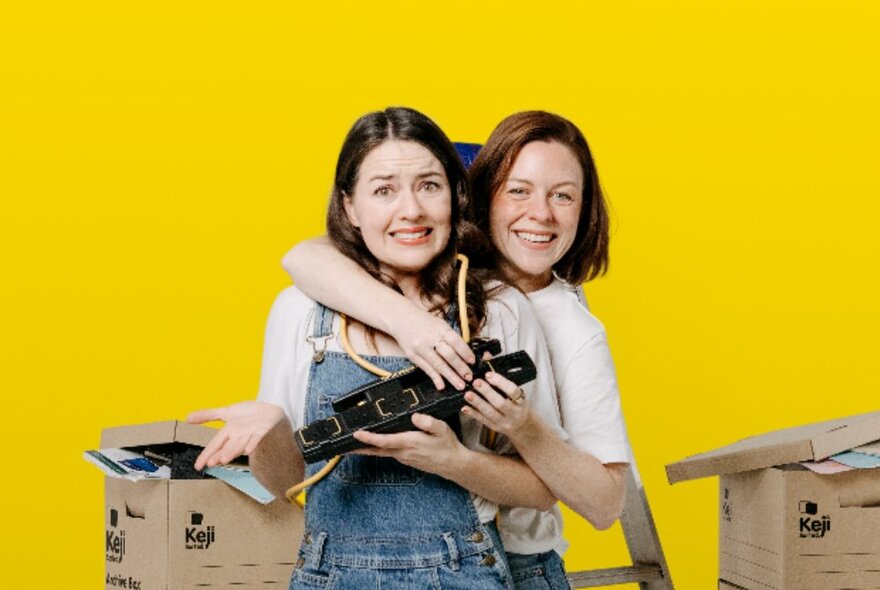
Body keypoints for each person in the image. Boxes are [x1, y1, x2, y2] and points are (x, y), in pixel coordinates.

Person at [189, 107, 568, 590]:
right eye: (383, 190)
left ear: (455, 196)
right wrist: (272, 431)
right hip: (329, 573)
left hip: (464, 571)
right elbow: (284, 486)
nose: (410, 210)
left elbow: (543, 489)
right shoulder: (300, 314)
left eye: (429, 186)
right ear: (350, 207)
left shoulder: (500, 312)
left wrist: (454, 460)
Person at [283, 111, 630, 590]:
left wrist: (520, 427)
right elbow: (306, 255)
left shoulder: (564, 325)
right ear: (477, 197)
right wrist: (406, 322)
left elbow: (605, 503)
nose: (542, 214)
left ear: (584, 209)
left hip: (512, 563)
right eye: (518, 191)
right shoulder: (440, 284)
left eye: (563, 196)